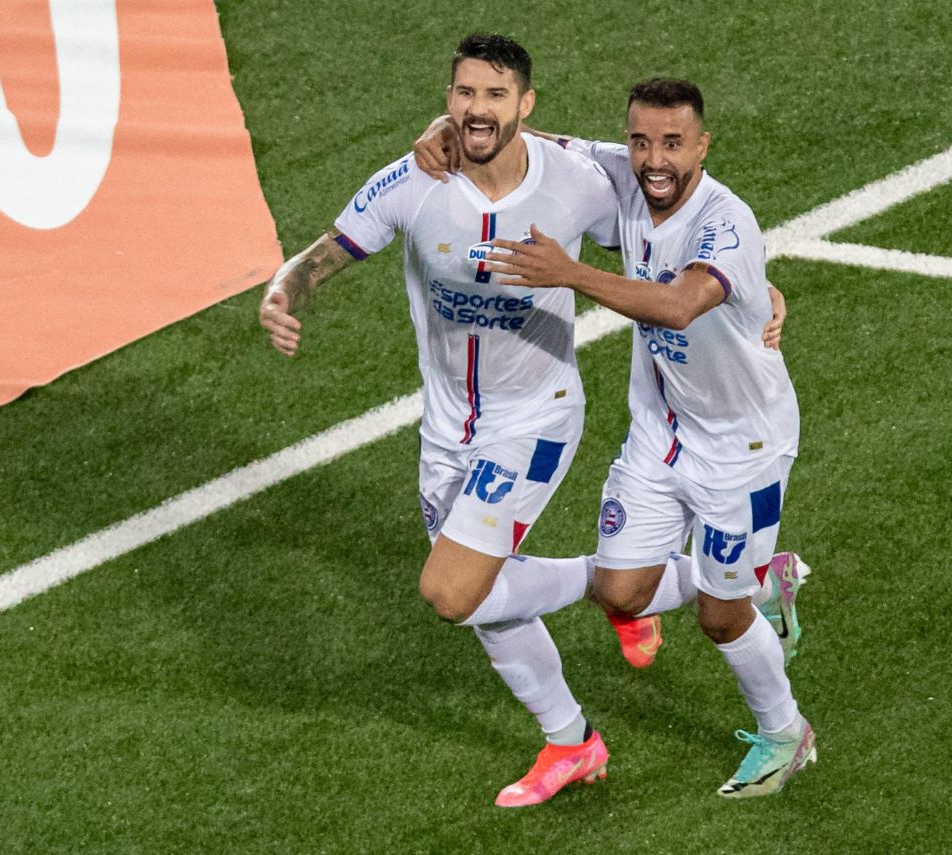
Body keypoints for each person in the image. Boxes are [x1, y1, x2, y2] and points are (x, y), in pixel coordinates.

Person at [258, 33, 659, 808]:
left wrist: (750, 286)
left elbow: (665, 187)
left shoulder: (573, 182)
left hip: (535, 419)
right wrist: (284, 292)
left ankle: (629, 585)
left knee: (452, 588)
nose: (477, 109)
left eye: (496, 95)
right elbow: (327, 252)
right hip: (446, 430)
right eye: (466, 93)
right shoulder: (415, 180)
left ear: (526, 106)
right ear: (449, 99)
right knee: (484, 600)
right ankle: (573, 741)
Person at [414, 78, 814, 798]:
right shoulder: (624, 176)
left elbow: (680, 304)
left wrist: (570, 274)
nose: (653, 159)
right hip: (660, 435)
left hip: (742, 450)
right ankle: (763, 576)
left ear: (702, 145)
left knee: (723, 621)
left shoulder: (725, 220)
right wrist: (445, 129)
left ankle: (786, 732)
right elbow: (526, 142)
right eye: (640, 141)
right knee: (620, 592)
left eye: (671, 143)